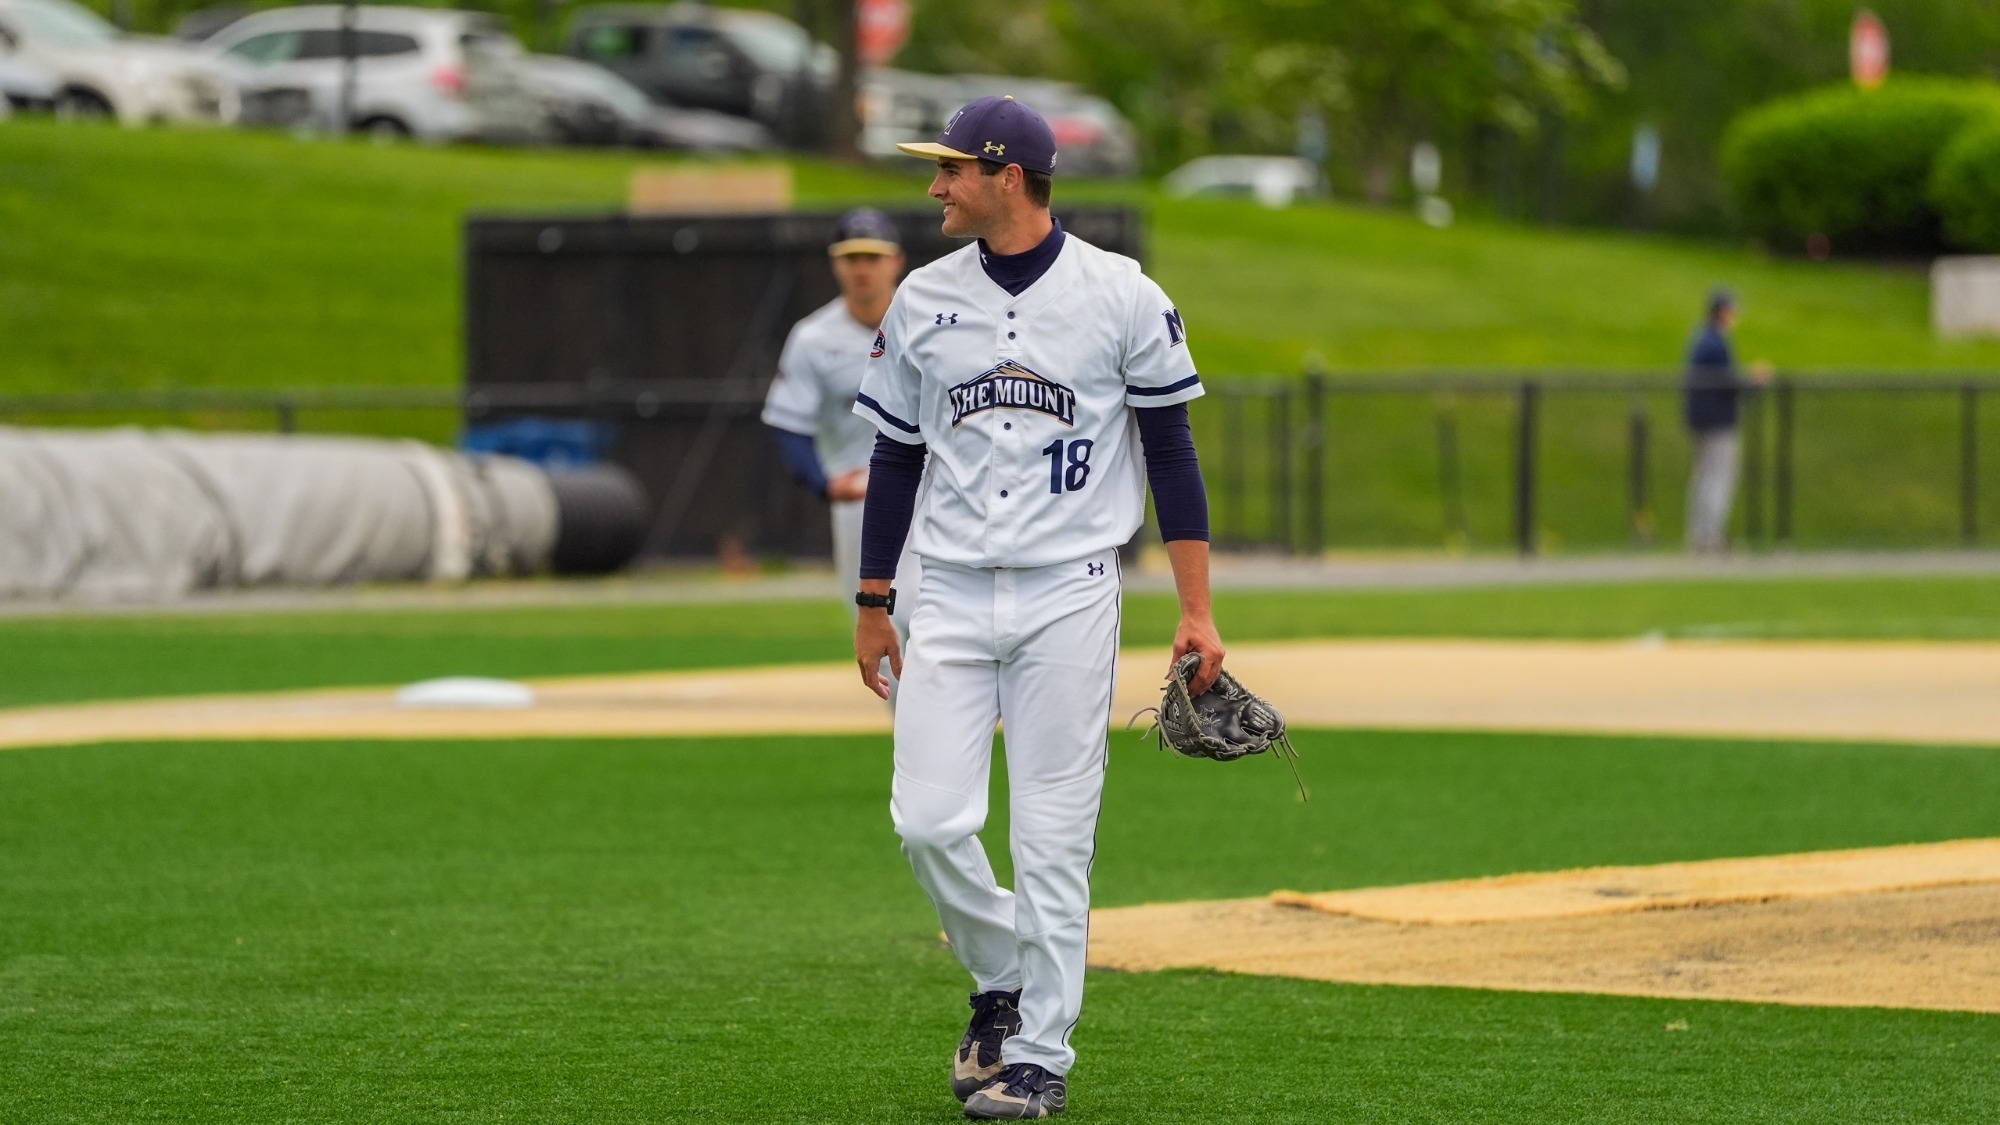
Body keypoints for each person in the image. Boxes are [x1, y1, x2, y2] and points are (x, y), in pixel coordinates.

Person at [850, 95, 1221, 1120]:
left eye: (951, 170)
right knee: (927, 822)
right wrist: (873, 597)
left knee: (1053, 837)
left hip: (1070, 592)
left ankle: (1036, 1057)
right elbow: (893, 455)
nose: (935, 187)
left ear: (1006, 175)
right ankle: (1001, 976)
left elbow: (1170, 455)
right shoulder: (923, 299)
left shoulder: (1119, 294)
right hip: (952, 593)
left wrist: (1195, 610)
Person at [762, 208, 920, 672]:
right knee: (883, 616)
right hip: (863, 497)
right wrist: (824, 484)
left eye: (873, 255)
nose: (862, 267)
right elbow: (788, 420)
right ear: (836, 264)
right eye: (852, 257)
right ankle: (907, 730)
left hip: (934, 489)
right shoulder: (814, 337)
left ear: (896, 261)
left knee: (926, 611)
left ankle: (952, 717)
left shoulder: (931, 324)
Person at [1683, 287, 1769, 554]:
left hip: (1701, 420)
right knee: (1718, 476)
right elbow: (1727, 382)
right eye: (1732, 310)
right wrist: (1755, 381)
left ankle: (1700, 534)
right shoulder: (1715, 342)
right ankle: (1709, 536)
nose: (1735, 315)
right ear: (1722, 311)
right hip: (1717, 421)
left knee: (1704, 476)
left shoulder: (1701, 337)